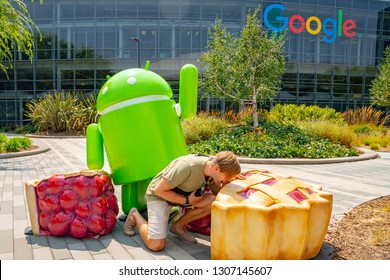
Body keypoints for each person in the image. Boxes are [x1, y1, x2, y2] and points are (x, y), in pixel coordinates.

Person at [123, 151, 242, 252]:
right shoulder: (186, 166)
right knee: (156, 245)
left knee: (212, 201)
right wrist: (186, 200)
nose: (226, 180)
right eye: (227, 177)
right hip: (160, 196)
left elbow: (218, 194)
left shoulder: (212, 170)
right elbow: (159, 190)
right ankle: (135, 215)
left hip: (184, 196)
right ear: (216, 169)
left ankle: (177, 227)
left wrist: (235, 183)